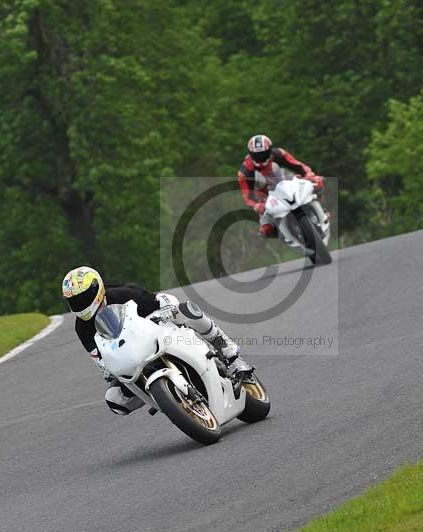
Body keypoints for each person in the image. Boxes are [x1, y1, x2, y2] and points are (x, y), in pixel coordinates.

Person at [61, 266, 247, 415]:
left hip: (153, 330)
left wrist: (167, 306)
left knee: (187, 310)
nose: (79, 304)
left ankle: (230, 354)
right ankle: (160, 398)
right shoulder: (82, 327)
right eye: (74, 301)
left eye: (83, 298)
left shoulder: (122, 293)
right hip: (129, 356)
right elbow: (98, 357)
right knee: (115, 400)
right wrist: (107, 369)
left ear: (96, 289)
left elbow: (159, 300)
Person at [238, 134, 325, 237]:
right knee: (266, 230)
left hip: (287, 183)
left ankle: (321, 208)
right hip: (265, 197)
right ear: (250, 154)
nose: (261, 158)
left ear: (270, 150)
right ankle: (287, 236)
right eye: (257, 155)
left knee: (318, 181)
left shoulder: (278, 153)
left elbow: (297, 165)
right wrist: (256, 205)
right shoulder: (244, 171)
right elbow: (247, 195)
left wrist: (308, 174)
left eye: (264, 153)